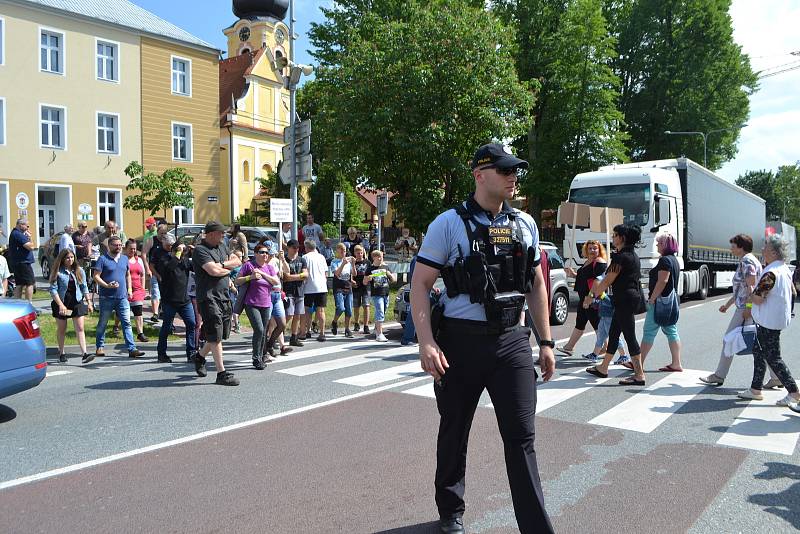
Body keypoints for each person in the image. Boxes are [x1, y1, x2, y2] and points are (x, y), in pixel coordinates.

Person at [410, 143, 555, 533]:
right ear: (479, 174)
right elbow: (420, 284)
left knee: (522, 438)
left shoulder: (524, 223)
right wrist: (426, 341)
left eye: (515, 170)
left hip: (512, 342)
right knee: (455, 431)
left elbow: (536, 281)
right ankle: (450, 512)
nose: (513, 177)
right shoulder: (448, 223)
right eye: (505, 170)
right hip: (460, 343)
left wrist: (545, 341)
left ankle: (536, 528)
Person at [700, 234, 779, 387]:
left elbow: (751, 287)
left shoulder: (747, 261)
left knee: (728, 339)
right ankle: (776, 376)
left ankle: (719, 375)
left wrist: (749, 309)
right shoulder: (751, 259)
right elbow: (742, 289)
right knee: (760, 343)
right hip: (746, 306)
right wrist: (728, 304)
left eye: (733, 246)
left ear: (741, 247)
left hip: (746, 308)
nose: (731, 249)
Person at [736, 234, 800, 409]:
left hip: (768, 320)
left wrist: (750, 296)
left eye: (765, 246)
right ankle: (755, 389)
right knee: (759, 351)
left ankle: (794, 393)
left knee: (773, 357)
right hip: (776, 318)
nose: (762, 249)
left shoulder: (771, 273)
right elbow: (794, 292)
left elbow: (758, 298)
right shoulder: (784, 269)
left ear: (772, 251)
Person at [585, 224, 645, 385]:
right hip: (625, 299)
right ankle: (603, 367)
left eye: (615, 235)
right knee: (614, 333)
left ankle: (639, 374)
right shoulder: (633, 255)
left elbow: (607, 280)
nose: (613, 237)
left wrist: (591, 296)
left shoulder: (621, 257)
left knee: (630, 336)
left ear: (622, 238)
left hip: (624, 300)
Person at [191, 221, 242, 386]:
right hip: (208, 297)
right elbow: (213, 271)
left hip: (223, 295)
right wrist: (224, 268)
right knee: (215, 334)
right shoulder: (200, 250)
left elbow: (238, 260)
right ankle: (221, 373)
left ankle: (199, 357)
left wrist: (222, 266)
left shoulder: (221, 247)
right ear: (211, 233)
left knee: (219, 335)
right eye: (221, 233)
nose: (223, 236)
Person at [93, 236, 145, 360]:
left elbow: (127, 274)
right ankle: (99, 347)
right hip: (106, 297)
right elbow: (96, 276)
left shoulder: (124, 259)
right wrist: (106, 285)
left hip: (122, 297)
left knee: (126, 323)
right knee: (103, 323)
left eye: (120, 245)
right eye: (116, 245)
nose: (118, 247)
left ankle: (132, 349)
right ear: (109, 246)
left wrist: (129, 289)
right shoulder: (102, 259)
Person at [640, 232, 683, 371]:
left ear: (664, 245)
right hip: (671, 301)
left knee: (648, 331)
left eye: (659, 243)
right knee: (671, 331)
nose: (657, 245)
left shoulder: (664, 260)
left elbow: (662, 281)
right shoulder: (674, 260)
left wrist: (652, 298)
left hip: (660, 302)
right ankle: (676, 363)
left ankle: (638, 362)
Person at [557, 240, 607, 357]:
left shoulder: (599, 262)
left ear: (599, 250)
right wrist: (573, 274)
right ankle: (569, 347)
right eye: (590, 248)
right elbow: (583, 278)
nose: (592, 250)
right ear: (586, 249)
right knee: (580, 323)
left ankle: (605, 347)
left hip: (591, 298)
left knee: (597, 324)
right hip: (583, 298)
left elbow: (598, 281)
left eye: (595, 248)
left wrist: (590, 297)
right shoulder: (587, 262)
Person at [236, 243, 281, 369]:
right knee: (259, 330)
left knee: (263, 331)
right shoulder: (249, 265)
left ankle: (261, 356)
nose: (265, 254)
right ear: (255, 254)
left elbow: (276, 282)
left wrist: (263, 274)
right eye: (261, 252)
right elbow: (237, 281)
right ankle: (256, 358)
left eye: (266, 252)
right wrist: (250, 277)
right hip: (251, 303)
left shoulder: (269, 268)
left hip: (266, 304)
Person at [155, 234, 196, 364]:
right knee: (166, 327)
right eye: (178, 251)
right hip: (169, 301)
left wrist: (194, 253)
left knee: (191, 324)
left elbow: (195, 267)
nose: (181, 253)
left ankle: (191, 353)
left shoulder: (184, 261)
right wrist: (177, 253)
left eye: (182, 251)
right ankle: (161, 354)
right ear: (172, 251)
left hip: (184, 300)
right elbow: (169, 268)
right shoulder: (164, 260)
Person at [49, 249, 93, 363]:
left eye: (72, 257)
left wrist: (89, 301)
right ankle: (62, 352)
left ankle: (84, 354)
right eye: (68, 258)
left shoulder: (79, 270)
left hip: (76, 301)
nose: (70, 260)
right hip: (62, 302)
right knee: (62, 329)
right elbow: (53, 290)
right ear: (63, 259)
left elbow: (84, 287)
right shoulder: (57, 272)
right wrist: (60, 305)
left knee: (80, 328)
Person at [301, 240, 330, 342]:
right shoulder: (321, 257)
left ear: (307, 247)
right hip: (321, 287)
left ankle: (306, 331)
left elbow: (304, 273)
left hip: (309, 286)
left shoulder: (305, 257)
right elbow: (326, 273)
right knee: (321, 310)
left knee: (307, 310)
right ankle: (322, 333)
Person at [365, 249, 395, 342]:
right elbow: (364, 282)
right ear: (375, 258)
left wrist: (389, 274)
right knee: (380, 311)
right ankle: (379, 334)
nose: (382, 259)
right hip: (376, 294)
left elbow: (394, 280)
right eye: (380, 257)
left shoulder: (386, 267)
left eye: (382, 257)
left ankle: (376, 328)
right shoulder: (370, 269)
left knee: (383, 311)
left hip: (386, 293)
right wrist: (368, 279)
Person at [144, 223, 169, 326]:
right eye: (161, 233)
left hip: (167, 273)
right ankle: (155, 313)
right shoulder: (152, 240)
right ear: (157, 232)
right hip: (154, 270)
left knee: (166, 293)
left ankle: (163, 311)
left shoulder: (168, 241)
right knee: (155, 292)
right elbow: (144, 254)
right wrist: (147, 268)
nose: (163, 235)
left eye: (165, 233)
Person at [284, 239, 308, 347]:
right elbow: (285, 277)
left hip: (300, 291)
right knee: (289, 314)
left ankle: (294, 337)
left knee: (297, 315)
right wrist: (299, 277)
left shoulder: (302, 260)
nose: (296, 250)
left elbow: (306, 274)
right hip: (288, 291)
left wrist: (292, 277)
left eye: (297, 248)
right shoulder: (284, 260)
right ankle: (278, 333)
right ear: (288, 248)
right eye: (294, 248)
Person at [124, 239, 149, 343]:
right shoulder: (123, 259)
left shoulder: (138, 260)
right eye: (131, 249)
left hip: (137, 290)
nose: (133, 251)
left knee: (138, 311)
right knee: (122, 312)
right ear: (125, 248)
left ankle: (140, 333)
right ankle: (116, 326)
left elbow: (142, 274)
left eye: (134, 249)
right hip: (125, 290)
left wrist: (143, 288)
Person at [329, 242, 355, 338]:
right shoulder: (334, 262)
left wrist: (353, 264)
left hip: (348, 287)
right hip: (338, 287)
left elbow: (354, 274)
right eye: (341, 251)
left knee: (349, 310)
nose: (343, 253)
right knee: (341, 308)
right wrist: (343, 264)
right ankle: (334, 322)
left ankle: (347, 329)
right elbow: (337, 274)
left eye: (344, 251)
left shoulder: (348, 262)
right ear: (337, 252)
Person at [8, 218, 36, 301]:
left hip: (17, 262)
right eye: (27, 225)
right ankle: (28, 304)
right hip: (23, 263)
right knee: (29, 283)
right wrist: (30, 237)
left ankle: (17, 304)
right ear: (20, 225)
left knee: (19, 284)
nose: (28, 228)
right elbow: (31, 247)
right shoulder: (18, 234)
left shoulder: (15, 233)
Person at [351, 244, 372, 335]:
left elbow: (371, 273)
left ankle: (366, 325)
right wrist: (351, 281)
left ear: (363, 253)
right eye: (358, 253)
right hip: (356, 286)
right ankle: (356, 323)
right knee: (356, 306)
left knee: (366, 305)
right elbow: (350, 274)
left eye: (361, 253)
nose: (359, 254)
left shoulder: (367, 262)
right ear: (355, 253)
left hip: (366, 286)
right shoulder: (353, 263)